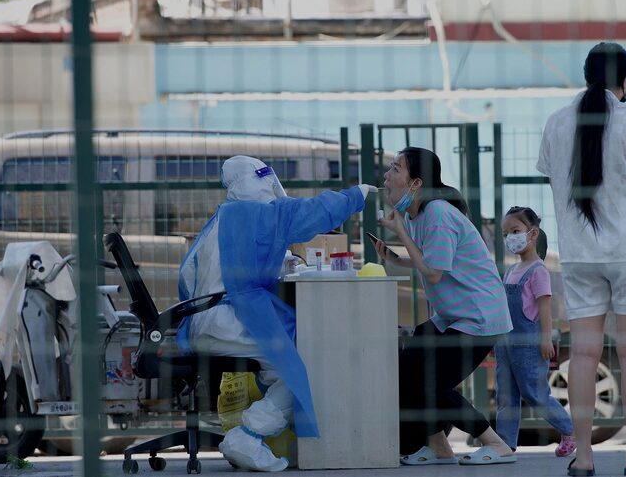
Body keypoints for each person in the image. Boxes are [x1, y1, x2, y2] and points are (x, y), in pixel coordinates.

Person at [177, 155, 375, 472]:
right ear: (262, 178)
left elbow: (196, 275)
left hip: (200, 321)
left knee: (278, 369)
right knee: (302, 363)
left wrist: (279, 262)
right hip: (232, 321)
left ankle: (277, 437)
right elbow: (313, 214)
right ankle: (248, 435)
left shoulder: (224, 216)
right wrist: (357, 193)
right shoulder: (264, 212)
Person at [537, 42, 626, 477]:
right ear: (625, 78)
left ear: (587, 75)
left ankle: (585, 458)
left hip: (579, 255)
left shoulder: (557, 122)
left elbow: (552, 173)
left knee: (586, 355)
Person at [370, 146, 516, 466]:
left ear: (416, 183)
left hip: (479, 316)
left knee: (431, 382)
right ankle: (439, 447)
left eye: (395, 169)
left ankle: (496, 443)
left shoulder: (436, 213)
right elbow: (433, 261)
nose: (386, 175)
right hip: (451, 316)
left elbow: (434, 272)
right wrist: (394, 257)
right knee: (407, 370)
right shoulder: (415, 215)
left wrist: (398, 233)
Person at [494, 206, 575, 458]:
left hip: (529, 344)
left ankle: (570, 430)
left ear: (532, 233)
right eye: (506, 233)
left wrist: (545, 339)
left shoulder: (538, 271)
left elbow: (545, 308)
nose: (510, 238)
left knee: (535, 393)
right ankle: (504, 444)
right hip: (506, 343)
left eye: (515, 231)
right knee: (506, 395)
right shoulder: (510, 270)